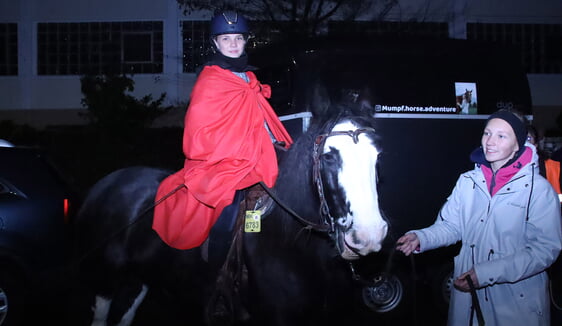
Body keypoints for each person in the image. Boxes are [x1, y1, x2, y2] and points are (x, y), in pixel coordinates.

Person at [397, 109, 562, 326]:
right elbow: (452, 226)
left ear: (517, 144)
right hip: (468, 300)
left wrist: (485, 274)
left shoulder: (537, 189)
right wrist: (421, 238)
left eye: (501, 136)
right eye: (487, 133)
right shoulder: (468, 181)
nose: (490, 142)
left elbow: (544, 250)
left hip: (515, 303)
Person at [152, 11, 293, 254]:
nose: (233, 44)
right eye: (226, 39)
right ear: (215, 43)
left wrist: (275, 142)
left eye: (238, 38)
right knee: (227, 201)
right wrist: (240, 146)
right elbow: (199, 129)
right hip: (225, 157)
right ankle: (217, 259)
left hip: (259, 151)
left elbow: (259, 116)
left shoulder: (249, 76)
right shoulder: (211, 79)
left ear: (245, 41)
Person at [527, 125, 562, 194]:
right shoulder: (503, 168)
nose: (524, 143)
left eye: (528, 138)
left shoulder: (555, 168)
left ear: (536, 144)